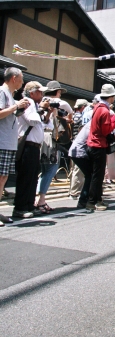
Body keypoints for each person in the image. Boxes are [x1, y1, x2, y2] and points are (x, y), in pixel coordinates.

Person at [13, 81, 49, 218]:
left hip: (34, 146)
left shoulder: (34, 104)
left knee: (33, 177)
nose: (42, 94)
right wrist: (41, 109)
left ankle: (29, 205)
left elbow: (46, 124)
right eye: (39, 92)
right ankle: (20, 207)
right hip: (27, 145)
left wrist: (45, 111)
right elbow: (32, 120)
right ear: (32, 93)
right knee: (26, 177)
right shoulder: (27, 102)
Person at [36, 80, 73, 211]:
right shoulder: (59, 103)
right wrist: (66, 119)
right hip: (51, 137)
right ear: (57, 92)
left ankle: (39, 198)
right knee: (52, 168)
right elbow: (71, 113)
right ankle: (40, 199)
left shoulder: (42, 101)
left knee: (44, 169)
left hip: (40, 137)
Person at [0, 67, 30, 226]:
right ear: (13, 78)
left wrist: (19, 108)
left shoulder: (11, 96)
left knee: (3, 177)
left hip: (8, 142)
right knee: (0, 177)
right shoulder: (2, 92)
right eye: (21, 78)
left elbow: (10, 114)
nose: (23, 81)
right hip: (2, 141)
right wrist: (15, 106)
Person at [86, 84, 115, 211]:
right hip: (99, 144)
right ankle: (92, 201)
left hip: (93, 143)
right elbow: (105, 131)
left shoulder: (97, 108)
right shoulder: (105, 111)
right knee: (97, 176)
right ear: (111, 96)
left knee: (96, 174)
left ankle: (98, 200)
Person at [69, 99, 88, 200]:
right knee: (78, 169)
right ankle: (75, 192)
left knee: (75, 169)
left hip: (74, 144)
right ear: (83, 107)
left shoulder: (74, 115)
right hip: (79, 146)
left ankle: (73, 190)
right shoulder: (80, 116)